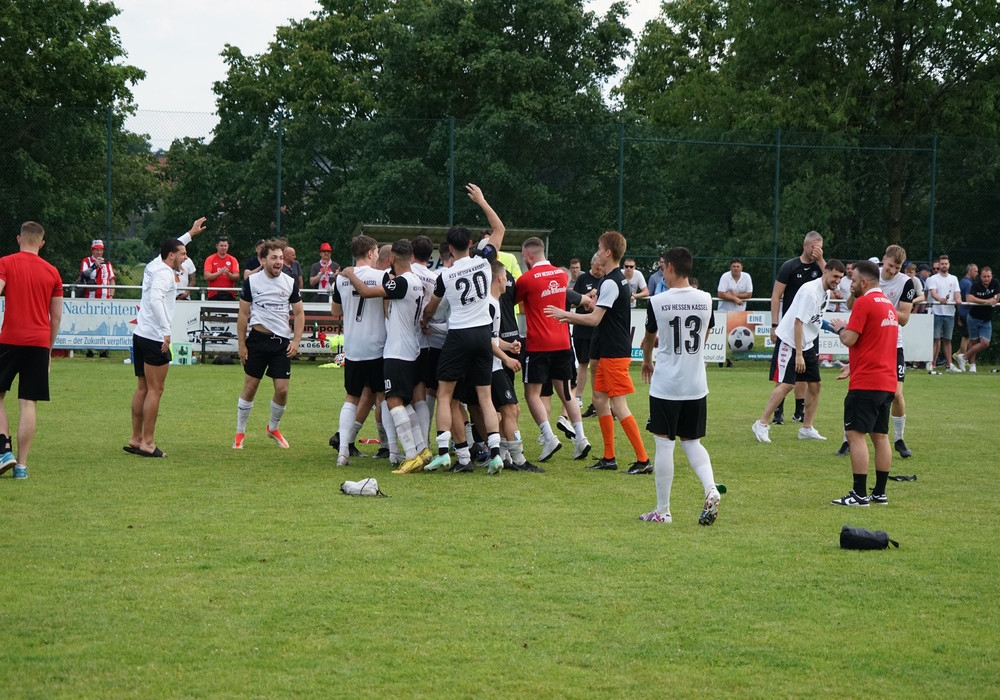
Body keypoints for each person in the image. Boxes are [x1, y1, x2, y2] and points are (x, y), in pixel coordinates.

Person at [545, 231, 651, 473]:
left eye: (600, 247)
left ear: (608, 252)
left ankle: (643, 460)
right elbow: (601, 314)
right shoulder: (613, 280)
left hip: (614, 351)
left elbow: (594, 319)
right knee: (599, 400)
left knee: (619, 406)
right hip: (606, 350)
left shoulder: (612, 282)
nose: (597, 251)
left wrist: (566, 315)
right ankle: (608, 457)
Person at [420, 184, 507, 474]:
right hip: (483, 333)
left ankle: (444, 452)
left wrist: (425, 320)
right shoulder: (484, 261)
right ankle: (496, 454)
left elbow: (432, 307)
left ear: (448, 248)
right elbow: (500, 229)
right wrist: (482, 200)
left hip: (458, 334)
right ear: (471, 244)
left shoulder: (445, 275)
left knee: (445, 395)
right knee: (485, 397)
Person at [639, 247, 721, 525]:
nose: (662, 272)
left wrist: (647, 361)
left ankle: (663, 510)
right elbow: (705, 332)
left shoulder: (657, 301)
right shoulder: (706, 299)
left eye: (663, 267)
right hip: (695, 384)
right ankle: (710, 488)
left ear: (672, 267)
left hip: (667, 385)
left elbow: (648, 339)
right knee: (692, 442)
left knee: (664, 444)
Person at [341, 239, 431, 474]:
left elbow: (366, 292)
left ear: (391, 259)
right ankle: (422, 449)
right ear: (411, 257)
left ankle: (410, 455)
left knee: (393, 402)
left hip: (397, 352)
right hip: (412, 349)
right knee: (405, 403)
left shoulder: (401, 283)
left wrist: (350, 274)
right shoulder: (416, 281)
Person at [126, 217, 208, 458]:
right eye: (182, 254)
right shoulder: (164, 274)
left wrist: (190, 234)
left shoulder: (155, 265)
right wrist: (165, 331)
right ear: (171, 256)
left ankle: (136, 438)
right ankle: (148, 443)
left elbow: (172, 246)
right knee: (155, 390)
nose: (185, 258)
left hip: (140, 335)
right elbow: (155, 300)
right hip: (154, 338)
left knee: (142, 388)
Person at [752, 259, 846, 443]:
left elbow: (815, 319)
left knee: (815, 385)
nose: (837, 281)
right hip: (790, 342)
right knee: (787, 385)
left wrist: (835, 328)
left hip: (807, 342)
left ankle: (806, 428)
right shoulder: (810, 292)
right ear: (825, 272)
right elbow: (798, 322)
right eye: (835, 276)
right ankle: (761, 424)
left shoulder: (826, 292)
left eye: (840, 278)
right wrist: (799, 355)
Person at [829, 260, 899, 506]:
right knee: (880, 436)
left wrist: (839, 329)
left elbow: (850, 339)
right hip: (886, 381)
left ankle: (859, 494)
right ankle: (879, 493)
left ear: (865, 283)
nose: (851, 285)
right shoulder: (888, 305)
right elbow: (875, 343)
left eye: (854, 280)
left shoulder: (864, 303)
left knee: (855, 435)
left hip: (867, 383)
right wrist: (853, 365)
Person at [515, 236, 591, 462]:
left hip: (538, 345)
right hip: (563, 342)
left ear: (529, 255)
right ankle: (581, 438)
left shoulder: (526, 280)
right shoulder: (561, 275)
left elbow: (510, 301)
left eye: (524, 256)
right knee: (566, 392)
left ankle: (549, 438)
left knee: (532, 394)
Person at [0, 221, 64, 479]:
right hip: (38, 343)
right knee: (28, 403)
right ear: (42, 243)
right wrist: (48, 350)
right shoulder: (52, 272)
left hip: (10, 339)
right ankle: (22, 466)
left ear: (19, 239)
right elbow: (56, 317)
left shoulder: (5, 263)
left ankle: (4, 449)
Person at [232, 240, 305, 450]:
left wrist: (296, 340)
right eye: (274, 258)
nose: (278, 261)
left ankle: (273, 428)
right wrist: (242, 345)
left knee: (282, 390)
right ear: (263, 260)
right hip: (257, 340)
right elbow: (243, 314)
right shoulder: (252, 281)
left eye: (281, 257)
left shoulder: (289, 282)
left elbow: (299, 313)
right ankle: (240, 433)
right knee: (250, 387)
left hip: (281, 343)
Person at [332, 235, 387, 466]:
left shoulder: (341, 278)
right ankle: (392, 450)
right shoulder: (382, 276)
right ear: (371, 253)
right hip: (378, 347)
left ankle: (343, 451)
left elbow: (335, 311)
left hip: (353, 348)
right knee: (384, 397)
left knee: (351, 398)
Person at [769, 231, 826, 424]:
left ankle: (799, 412)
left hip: (810, 330)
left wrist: (821, 260)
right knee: (784, 371)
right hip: (790, 329)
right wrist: (774, 324)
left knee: (805, 372)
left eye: (820, 247)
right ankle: (778, 412)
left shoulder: (821, 268)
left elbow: (832, 281)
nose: (816, 250)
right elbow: (776, 296)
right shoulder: (790, 266)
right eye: (814, 247)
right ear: (805, 246)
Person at [571, 253, 603, 417]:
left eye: (601, 268)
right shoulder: (582, 279)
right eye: (597, 268)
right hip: (582, 328)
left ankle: (598, 402)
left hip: (598, 329)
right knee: (583, 363)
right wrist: (589, 295)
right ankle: (578, 398)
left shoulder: (606, 280)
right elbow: (573, 301)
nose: (599, 271)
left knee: (599, 366)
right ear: (591, 264)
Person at [957, 266, 999, 373]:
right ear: (981, 277)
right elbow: (969, 298)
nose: (986, 279)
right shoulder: (976, 285)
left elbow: (997, 297)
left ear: (991, 276)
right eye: (984, 277)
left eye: (988, 276)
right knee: (973, 341)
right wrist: (986, 301)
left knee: (985, 343)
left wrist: (993, 300)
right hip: (974, 317)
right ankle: (972, 365)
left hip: (986, 319)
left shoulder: (995, 283)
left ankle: (963, 357)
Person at [924, 254, 961, 373]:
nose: (944, 265)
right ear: (939, 265)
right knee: (935, 339)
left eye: (946, 263)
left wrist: (958, 300)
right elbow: (933, 293)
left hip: (950, 313)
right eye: (942, 264)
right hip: (937, 312)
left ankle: (949, 364)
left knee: (947, 340)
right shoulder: (933, 279)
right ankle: (931, 363)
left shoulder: (954, 278)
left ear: (949, 265)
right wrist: (940, 299)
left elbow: (957, 293)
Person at [204, 235, 240, 300]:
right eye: (221, 246)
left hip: (229, 294)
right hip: (214, 294)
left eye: (225, 246)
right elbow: (206, 276)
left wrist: (228, 274)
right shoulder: (210, 259)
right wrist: (219, 273)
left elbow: (237, 277)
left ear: (228, 246)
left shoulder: (233, 259)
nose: (223, 248)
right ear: (217, 246)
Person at [957, 263, 979, 358]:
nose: (977, 273)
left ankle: (959, 354)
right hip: (966, 313)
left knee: (968, 336)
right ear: (969, 271)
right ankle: (962, 357)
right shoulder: (968, 283)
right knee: (966, 337)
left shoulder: (963, 281)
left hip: (962, 312)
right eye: (975, 271)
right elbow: (968, 299)